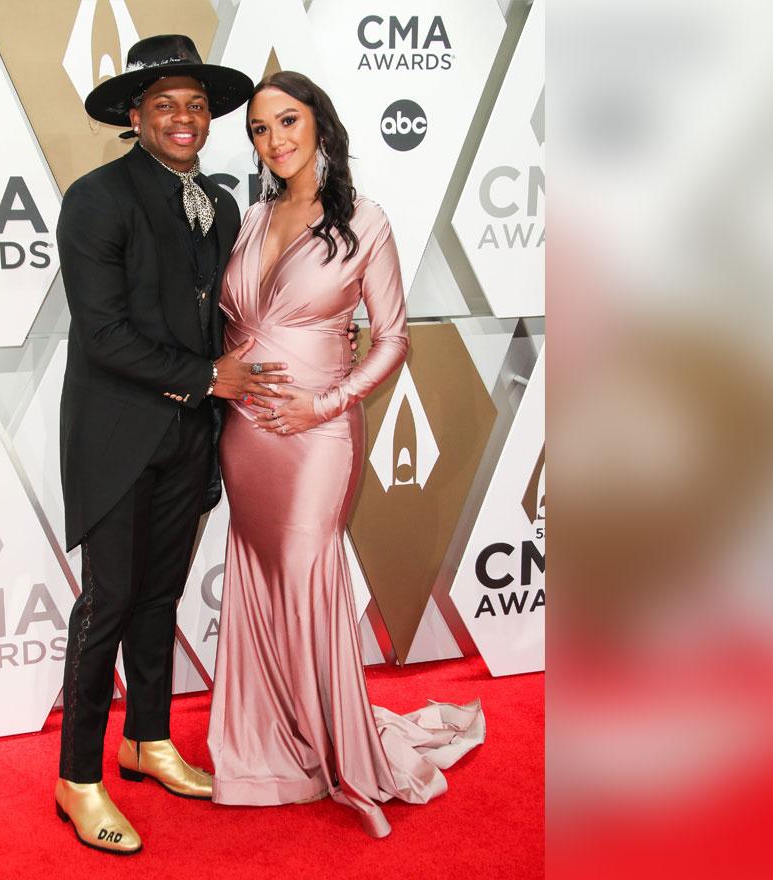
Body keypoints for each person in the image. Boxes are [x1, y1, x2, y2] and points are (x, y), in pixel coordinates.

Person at [206, 71, 485, 838]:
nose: (274, 140)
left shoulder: (366, 220)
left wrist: (324, 403)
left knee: (304, 572)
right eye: (260, 130)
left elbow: (393, 338)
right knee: (260, 577)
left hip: (318, 435)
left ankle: (335, 747)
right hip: (245, 435)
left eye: (288, 121)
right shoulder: (249, 218)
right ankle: (272, 747)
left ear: (319, 126)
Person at [52, 35, 298, 856]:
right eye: (165, 104)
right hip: (119, 438)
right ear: (135, 115)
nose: (184, 117)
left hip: (191, 439)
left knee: (159, 598)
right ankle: (78, 777)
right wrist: (207, 378)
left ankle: (147, 741)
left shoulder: (221, 206)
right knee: (108, 603)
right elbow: (104, 336)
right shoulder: (96, 199)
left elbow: (223, 315)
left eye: (195, 103)